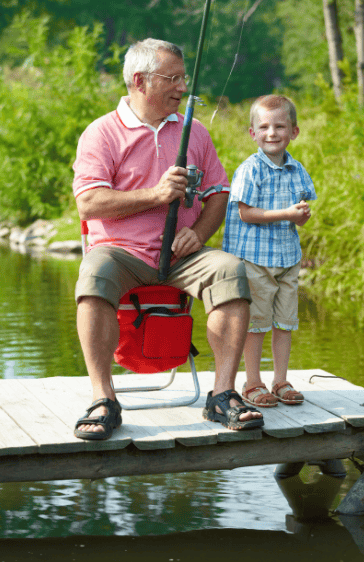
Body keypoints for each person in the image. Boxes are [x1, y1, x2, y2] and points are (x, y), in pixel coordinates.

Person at [72, 38, 264, 439]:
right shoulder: (101, 133)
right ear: (140, 81)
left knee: (230, 271)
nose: (182, 87)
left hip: (183, 255)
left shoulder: (194, 132)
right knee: (93, 276)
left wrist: (199, 233)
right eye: (172, 78)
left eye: (183, 78)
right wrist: (156, 195)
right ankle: (103, 398)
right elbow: (89, 202)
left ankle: (223, 394)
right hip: (121, 253)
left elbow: (218, 194)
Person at [222, 95, 316, 407]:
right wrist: (287, 214)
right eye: (263, 127)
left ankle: (280, 380)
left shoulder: (297, 170)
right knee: (256, 322)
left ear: (294, 132)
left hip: (287, 257)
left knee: (285, 321)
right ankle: (252, 382)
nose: (272, 133)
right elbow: (245, 213)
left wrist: (300, 216)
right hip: (256, 259)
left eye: (279, 126)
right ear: (252, 133)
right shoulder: (250, 170)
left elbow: (299, 212)